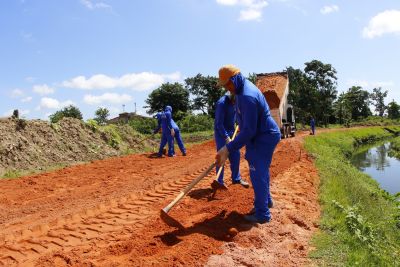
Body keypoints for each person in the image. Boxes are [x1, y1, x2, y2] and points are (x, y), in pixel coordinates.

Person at [215, 64, 281, 224]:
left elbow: (249, 131)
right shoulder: (240, 90)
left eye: (228, 84)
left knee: (257, 172)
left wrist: (227, 148)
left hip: (263, 137)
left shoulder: (247, 96)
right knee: (260, 170)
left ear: (235, 78)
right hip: (259, 136)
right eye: (224, 86)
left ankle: (262, 214)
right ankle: (267, 201)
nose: (227, 88)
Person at [213, 94, 248, 188]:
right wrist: (226, 137)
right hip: (221, 133)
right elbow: (219, 124)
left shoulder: (236, 101)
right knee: (222, 156)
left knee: (236, 154)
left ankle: (236, 179)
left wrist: (239, 123)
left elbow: (236, 115)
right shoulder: (222, 103)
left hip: (232, 131)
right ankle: (219, 181)